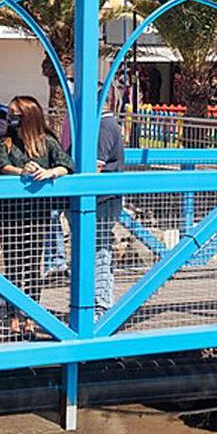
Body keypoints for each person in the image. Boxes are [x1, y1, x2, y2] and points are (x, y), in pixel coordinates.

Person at [0, 95, 74, 339]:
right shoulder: (5, 141)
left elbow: (66, 164)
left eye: (17, 113)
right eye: (11, 113)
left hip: (37, 212)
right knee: (12, 264)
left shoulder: (46, 141)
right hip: (10, 212)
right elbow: (1, 165)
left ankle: (30, 316)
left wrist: (50, 172)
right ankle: (13, 316)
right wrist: (22, 171)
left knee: (32, 265)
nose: (12, 118)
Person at [94, 89, 125, 321]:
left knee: (99, 250)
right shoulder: (108, 124)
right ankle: (99, 301)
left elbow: (97, 165)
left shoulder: (104, 126)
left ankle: (101, 304)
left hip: (102, 199)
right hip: (105, 197)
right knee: (99, 248)